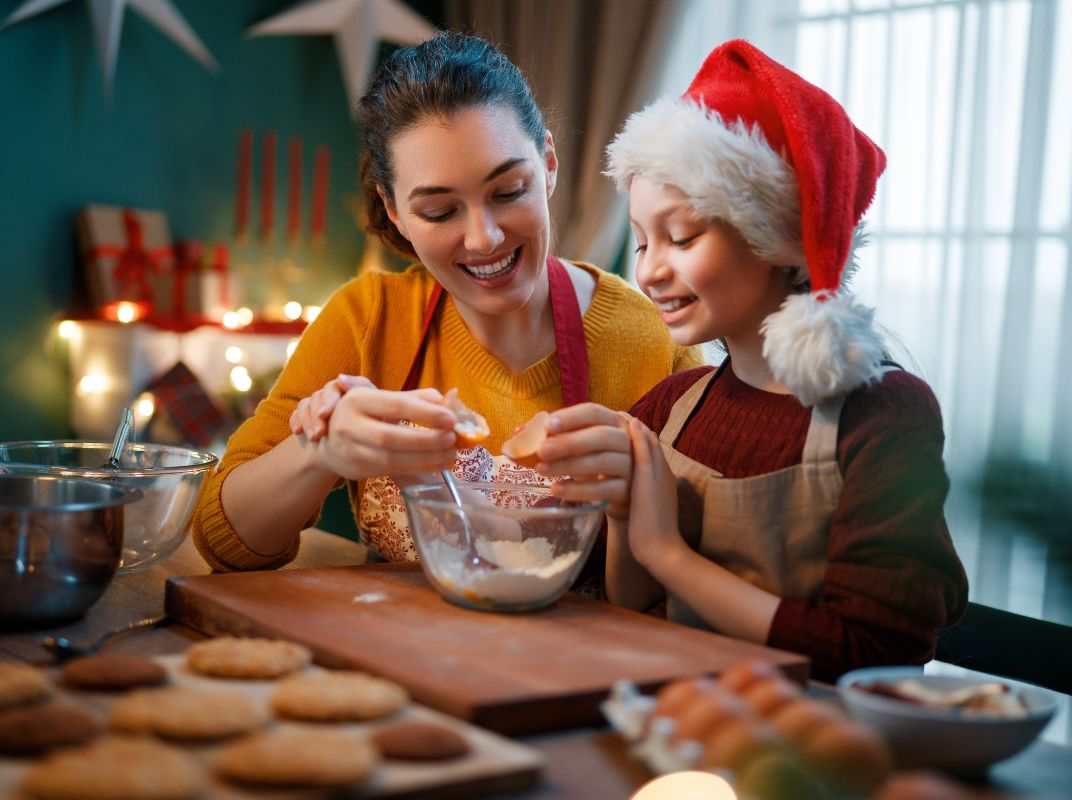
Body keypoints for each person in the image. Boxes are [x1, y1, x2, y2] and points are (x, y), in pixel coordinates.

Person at [535, 40, 967, 681]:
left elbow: (873, 654)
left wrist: (667, 552)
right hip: (678, 727)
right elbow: (632, 606)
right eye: (643, 238)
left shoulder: (884, 415)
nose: (650, 270)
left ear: (780, 235)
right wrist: (625, 516)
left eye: (681, 236)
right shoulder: (669, 407)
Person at [191, 32, 700, 571]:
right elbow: (222, 539)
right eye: (439, 211)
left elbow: (712, 554)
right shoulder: (367, 321)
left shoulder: (653, 339)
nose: (483, 238)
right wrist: (320, 454)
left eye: (508, 192)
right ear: (393, 210)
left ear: (548, 164)